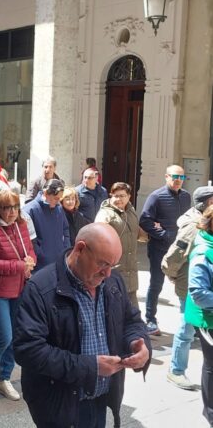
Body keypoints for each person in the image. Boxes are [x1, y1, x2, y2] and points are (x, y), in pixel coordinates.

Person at [14, 223, 151, 428]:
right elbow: (28, 350)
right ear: (80, 249)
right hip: (59, 404)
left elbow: (131, 320)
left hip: (101, 397)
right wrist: (91, 367)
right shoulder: (41, 288)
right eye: (103, 264)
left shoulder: (113, 282)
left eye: (113, 266)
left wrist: (138, 343)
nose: (107, 274)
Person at [0, 190, 36, 401]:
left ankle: (5, 378)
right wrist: (19, 266)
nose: (12, 212)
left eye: (15, 207)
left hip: (19, 288)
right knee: (4, 335)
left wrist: (30, 261)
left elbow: (30, 250)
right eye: (7, 208)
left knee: (15, 336)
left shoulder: (21, 226)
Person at [162, 186, 213, 390]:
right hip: (190, 283)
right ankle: (176, 370)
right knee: (186, 329)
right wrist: (171, 273)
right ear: (205, 203)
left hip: (194, 281)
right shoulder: (194, 226)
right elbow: (176, 253)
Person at [140, 164, 191, 335]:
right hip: (159, 248)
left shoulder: (186, 197)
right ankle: (150, 319)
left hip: (181, 250)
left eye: (181, 177)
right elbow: (145, 221)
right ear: (166, 177)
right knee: (156, 284)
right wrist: (164, 234)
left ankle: (189, 321)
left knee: (184, 284)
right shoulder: (156, 196)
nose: (178, 180)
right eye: (174, 176)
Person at [185, 205, 213, 425]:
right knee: (211, 366)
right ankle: (211, 412)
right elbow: (198, 293)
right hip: (207, 319)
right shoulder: (203, 251)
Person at [95, 182, 140, 307]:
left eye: (122, 196)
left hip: (131, 270)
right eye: (116, 196)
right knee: (114, 310)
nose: (119, 199)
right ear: (111, 196)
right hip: (114, 270)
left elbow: (138, 233)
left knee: (133, 311)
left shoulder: (131, 211)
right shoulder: (105, 214)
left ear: (129, 197)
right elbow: (98, 237)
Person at [25, 179, 70, 271]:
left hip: (59, 261)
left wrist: (66, 248)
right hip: (40, 265)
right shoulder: (29, 210)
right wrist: (41, 254)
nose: (58, 202)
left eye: (59, 199)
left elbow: (65, 229)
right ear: (45, 193)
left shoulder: (59, 209)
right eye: (56, 198)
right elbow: (28, 240)